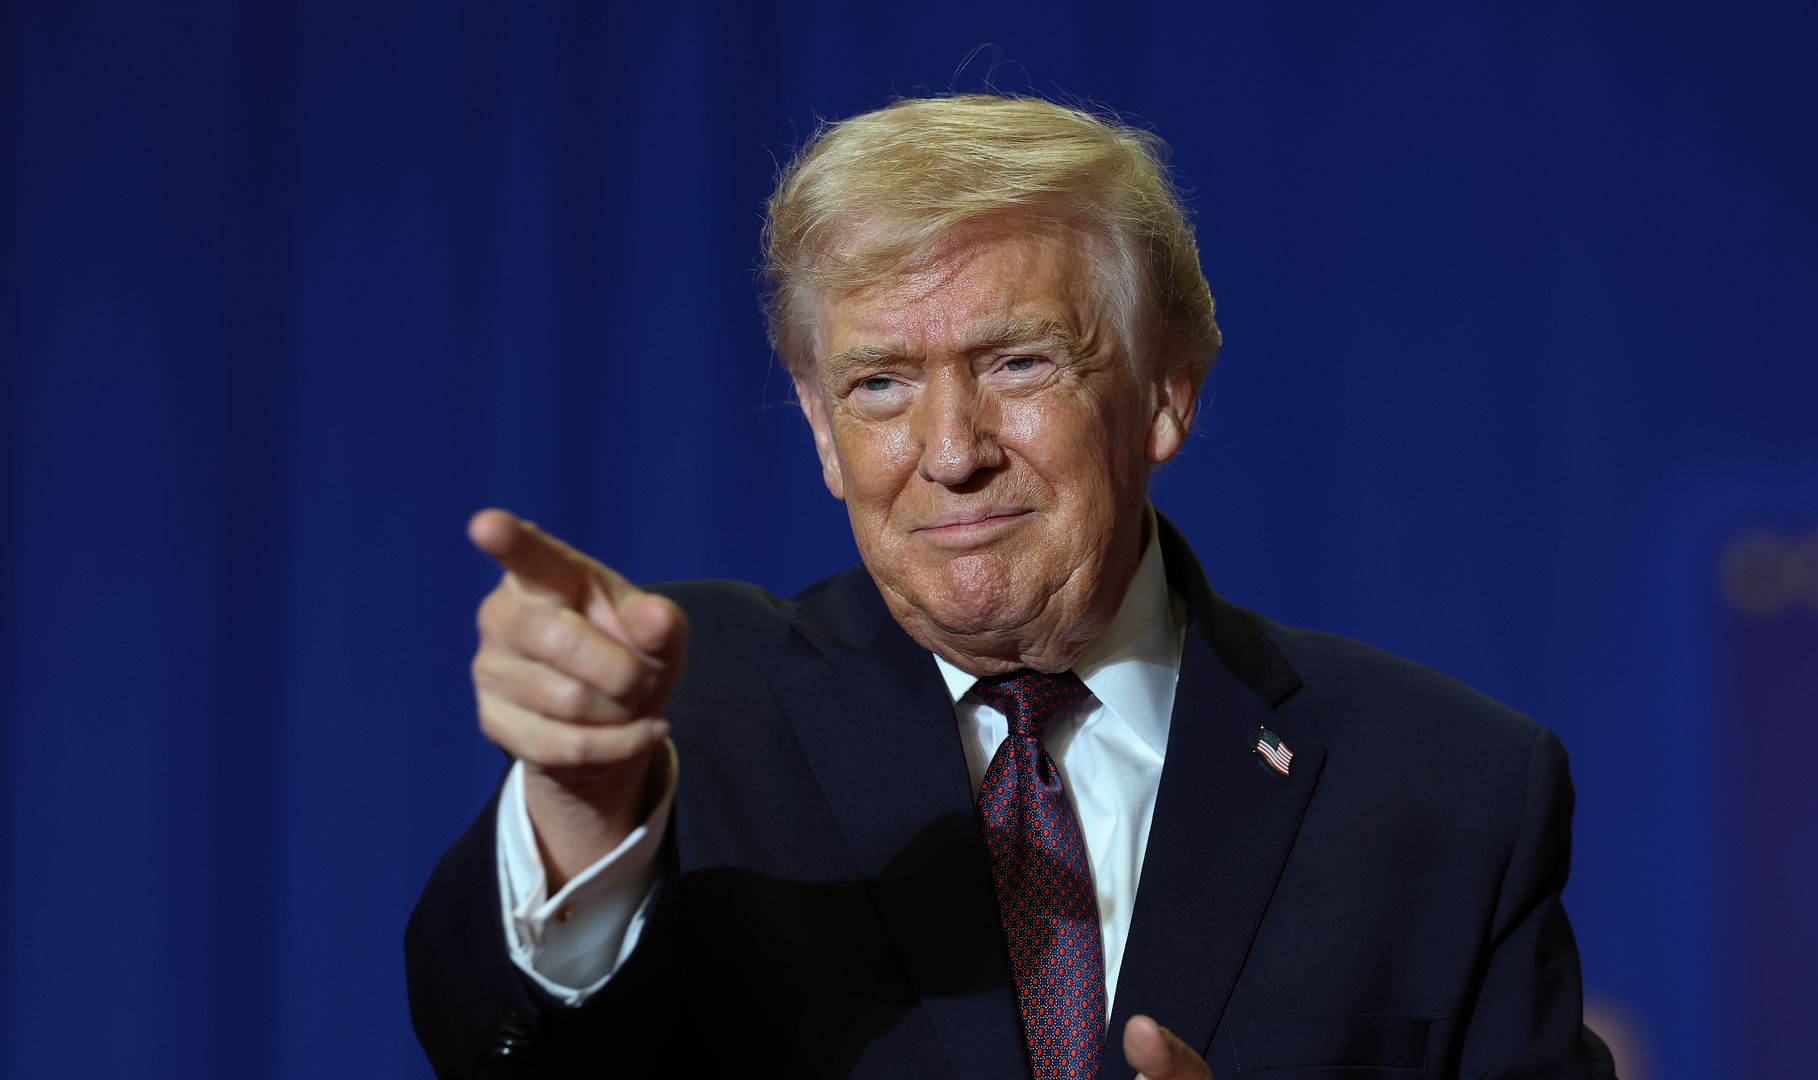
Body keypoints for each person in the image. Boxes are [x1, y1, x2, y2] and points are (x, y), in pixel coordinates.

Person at [406, 94, 1617, 1079]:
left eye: (1018, 362)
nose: (951, 450)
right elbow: (499, 1053)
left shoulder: (1450, 787)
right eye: (880, 383)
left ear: (1166, 392)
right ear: (820, 426)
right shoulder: (688, 721)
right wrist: (577, 808)